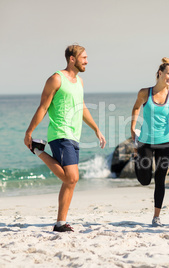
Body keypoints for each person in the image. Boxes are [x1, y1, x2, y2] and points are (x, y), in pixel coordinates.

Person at [24, 44, 106, 232]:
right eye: (83, 58)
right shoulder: (56, 79)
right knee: (72, 178)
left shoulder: (80, 82)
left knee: (71, 180)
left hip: (74, 135)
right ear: (72, 59)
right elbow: (43, 107)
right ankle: (37, 150)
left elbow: (82, 107)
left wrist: (96, 129)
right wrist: (29, 132)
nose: (87, 61)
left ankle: (61, 223)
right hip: (60, 133)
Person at [130, 57, 169, 227]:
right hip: (145, 142)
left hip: (165, 143)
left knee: (160, 180)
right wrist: (132, 127)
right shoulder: (145, 93)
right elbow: (136, 107)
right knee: (145, 180)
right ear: (160, 73)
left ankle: (156, 217)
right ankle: (136, 157)